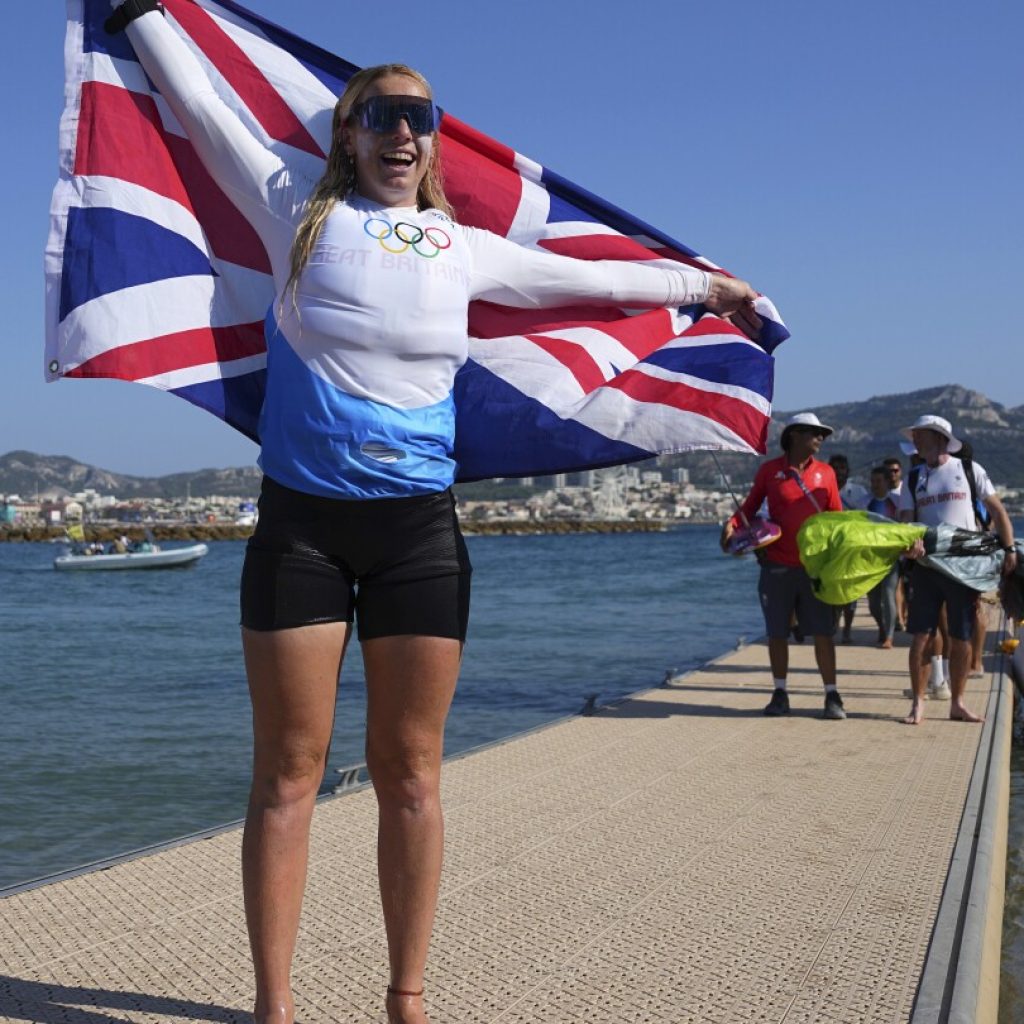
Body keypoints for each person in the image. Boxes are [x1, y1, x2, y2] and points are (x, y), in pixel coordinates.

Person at [105, 5, 763, 1023]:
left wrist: (706, 287)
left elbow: (586, 282)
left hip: (417, 533)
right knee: (287, 773)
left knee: (409, 772)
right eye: (381, 114)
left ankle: (406, 996)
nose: (402, 132)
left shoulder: (462, 248)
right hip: (302, 529)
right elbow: (204, 109)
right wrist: (142, 16)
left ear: (432, 135)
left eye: (419, 116)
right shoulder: (297, 210)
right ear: (348, 133)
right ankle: (273, 1006)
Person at [720, 413, 845, 719]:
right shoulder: (769, 472)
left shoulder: (826, 474)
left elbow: (838, 520)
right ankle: (780, 693)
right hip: (776, 565)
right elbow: (748, 509)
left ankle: (831, 696)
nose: (820, 439)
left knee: (823, 633)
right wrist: (731, 526)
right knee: (776, 633)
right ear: (794, 436)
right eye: (815, 434)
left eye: (823, 435)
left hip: (814, 569)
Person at [898, 415, 1017, 725]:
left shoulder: (968, 470)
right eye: (915, 436)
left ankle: (958, 702)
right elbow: (907, 522)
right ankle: (918, 702)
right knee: (921, 637)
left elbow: (997, 511)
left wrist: (1009, 550)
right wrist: (908, 545)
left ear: (939, 438)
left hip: (964, 568)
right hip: (926, 566)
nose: (916, 441)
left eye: (921, 435)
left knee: (960, 636)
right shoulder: (913, 478)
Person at [828, 454, 867, 642]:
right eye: (834, 467)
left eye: (841, 467)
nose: (838, 471)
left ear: (847, 470)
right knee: (834, 590)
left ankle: (848, 630)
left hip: (852, 548)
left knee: (850, 592)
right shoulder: (823, 490)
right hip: (831, 549)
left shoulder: (859, 492)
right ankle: (834, 624)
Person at [865, 466, 899, 648]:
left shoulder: (896, 502)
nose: (874, 485)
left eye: (878, 481)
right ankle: (882, 627)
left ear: (887, 482)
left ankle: (890, 636)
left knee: (888, 595)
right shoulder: (865, 503)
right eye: (872, 481)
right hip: (870, 559)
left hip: (890, 558)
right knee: (873, 603)